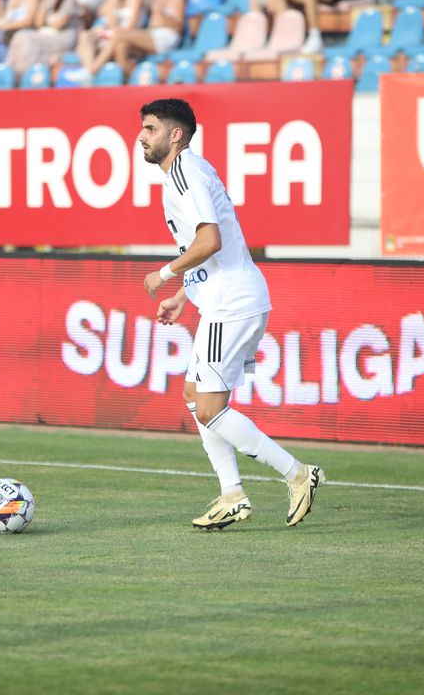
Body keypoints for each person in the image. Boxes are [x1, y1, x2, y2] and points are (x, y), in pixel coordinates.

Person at [138, 98, 326, 529]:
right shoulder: (185, 174)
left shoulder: (186, 172)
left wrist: (164, 274)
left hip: (232, 305)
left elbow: (211, 241)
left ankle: (297, 475)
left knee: (209, 409)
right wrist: (185, 293)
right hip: (224, 300)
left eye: (150, 129)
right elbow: (203, 250)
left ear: (175, 135)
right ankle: (232, 495)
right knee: (193, 397)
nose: (142, 137)